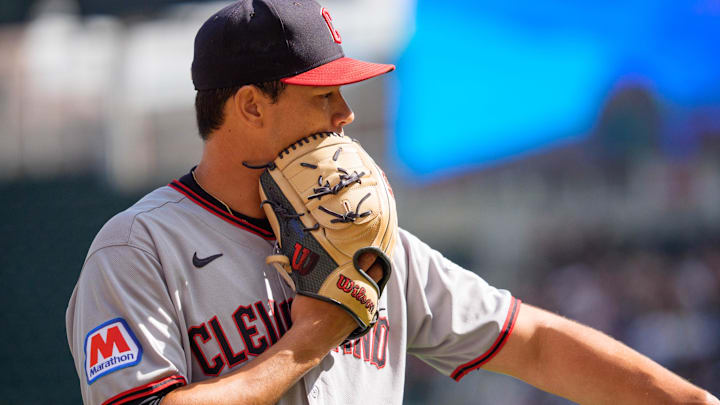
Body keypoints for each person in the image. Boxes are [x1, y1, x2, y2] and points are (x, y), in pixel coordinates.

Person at [66, 1, 718, 404]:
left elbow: (534, 341)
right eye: (323, 96)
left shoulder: (366, 235)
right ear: (250, 106)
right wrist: (309, 338)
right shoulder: (140, 249)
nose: (347, 114)